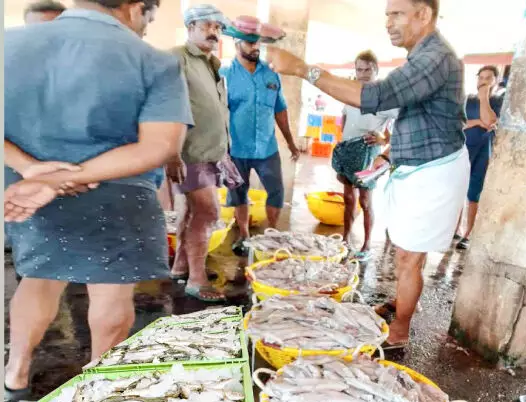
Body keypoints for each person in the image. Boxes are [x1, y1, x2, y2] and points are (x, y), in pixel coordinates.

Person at [3, 0, 192, 402]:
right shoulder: (153, 61)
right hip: (118, 193)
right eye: (148, 18)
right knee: (111, 292)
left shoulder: (5, 45)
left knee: (39, 278)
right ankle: (98, 393)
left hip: (27, 194)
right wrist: (64, 178)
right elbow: (159, 146)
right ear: (136, 8)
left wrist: (31, 169)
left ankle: (14, 377)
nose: (144, 27)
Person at [266, 0, 469, 346]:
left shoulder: (435, 57)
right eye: (387, 15)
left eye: (397, 14)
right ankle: (400, 302)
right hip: (416, 166)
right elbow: (423, 120)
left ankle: (400, 331)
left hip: (433, 172)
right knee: (406, 249)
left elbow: (375, 96)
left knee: (408, 255)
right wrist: (389, 156)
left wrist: (302, 68)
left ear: (423, 14)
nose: (388, 23)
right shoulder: (420, 57)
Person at [166, 4, 231, 302]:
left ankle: (181, 267)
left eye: (217, 28)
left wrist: (223, 151)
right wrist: (172, 153)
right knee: (208, 212)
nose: (213, 32)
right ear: (190, 27)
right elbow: (167, 104)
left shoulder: (211, 64)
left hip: (208, 153)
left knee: (192, 212)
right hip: (189, 153)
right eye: (207, 26)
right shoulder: (177, 57)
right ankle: (196, 279)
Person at [221, 34, 300, 256]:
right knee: (239, 193)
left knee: (276, 191)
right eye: (249, 42)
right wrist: (220, 148)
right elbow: (218, 112)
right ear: (237, 44)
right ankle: (244, 235)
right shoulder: (225, 75)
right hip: (237, 148)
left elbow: (280, 110)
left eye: (257, 42)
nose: (255, 46)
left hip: (267, 148)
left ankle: (272, 233)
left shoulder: (271, 73)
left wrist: (291, 143)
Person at [332, 50, 398, 261]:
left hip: (368, 153)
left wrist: (383, 139)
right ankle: (345, 238)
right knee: (348, 198)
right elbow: (344, 117)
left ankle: (367, 244)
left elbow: (400, 128)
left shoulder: (385, 99)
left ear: (376, 70)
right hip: (347, 151)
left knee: (365, 201)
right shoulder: (352, 93)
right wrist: (342, 141)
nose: (362, 74)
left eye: (367, 70)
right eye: (359, 70)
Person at [454, 65, 504, 250]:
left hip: (483, 150)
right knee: (458, 189)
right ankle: (455, 228)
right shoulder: (467, 99)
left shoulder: (498, 101)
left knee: (473, 193)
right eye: (481, 77)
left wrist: (484, 97)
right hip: (464, 147)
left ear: (496, 81)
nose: (483, 81)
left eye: (488, 78)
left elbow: (490, 121)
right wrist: (476, 122)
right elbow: (459, 123)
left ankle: (468, 233)